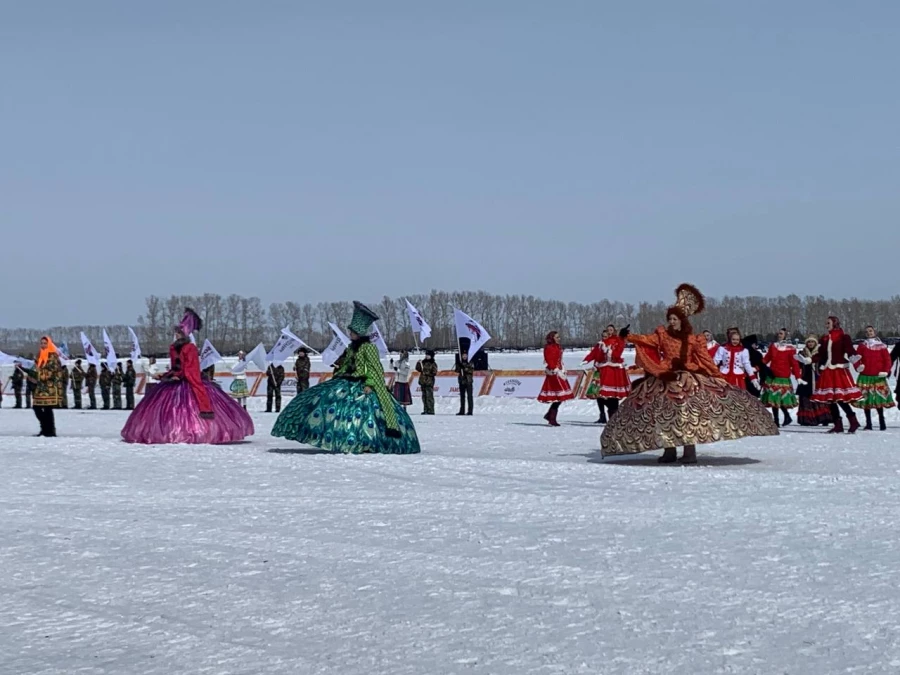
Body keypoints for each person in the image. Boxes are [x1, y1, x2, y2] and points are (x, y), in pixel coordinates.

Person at [602, 284, 778, 464]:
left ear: (682, 320)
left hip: (688, 377)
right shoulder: (662, 335)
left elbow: (706, 359)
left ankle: (689, 451)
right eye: (669, 318)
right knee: (661, 412)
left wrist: (718, 376)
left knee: (688, 414)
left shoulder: (694, 339)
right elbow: (646, 340)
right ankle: (669, 450)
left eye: (674, 319)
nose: (671, 321)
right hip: (665, 376)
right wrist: (628, 336)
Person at [271, 301, 419, 454]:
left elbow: (375, 368)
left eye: (352, 332)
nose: (349, 334)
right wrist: (338, 374)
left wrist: (370, 383)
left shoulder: (369, 348)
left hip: (364, 384)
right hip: (348, 381)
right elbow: (346, 365)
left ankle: (366, 441)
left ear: (358, 333)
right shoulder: (351, 348)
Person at [122, 308, 254, 444]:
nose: (176, 335)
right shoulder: (174, 348)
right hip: (174, 381)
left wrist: (178, 376)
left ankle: (197, 432)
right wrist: (164, 376)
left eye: (179, 332)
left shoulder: (190, 348)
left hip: (188, 381)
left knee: (188, 410)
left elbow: (190, 368)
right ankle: (170, 433)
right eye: (176, 332)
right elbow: (176, 367)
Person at [811, 316, 862, 434]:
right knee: (830, 399)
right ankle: (837, 424)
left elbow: (849, 350)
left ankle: (853, 420)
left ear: (835, 323)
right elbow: (821, 355)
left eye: (828, 323)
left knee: (840, 398)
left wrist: (854, 359)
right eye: (826, 323)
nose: (826, 325)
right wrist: (809, 360)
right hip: (827, 371)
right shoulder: (824, 338)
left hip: (838, 370)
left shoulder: (843, 337)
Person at [852, 326, 894, 431]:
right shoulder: (862, 346)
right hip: (865, 376)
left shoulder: (882, 347)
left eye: (870, 331)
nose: (869, 333)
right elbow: (857, 358)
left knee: (878, 399)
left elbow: (887, 360)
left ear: (874, 332)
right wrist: (858, 366)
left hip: (878, 376)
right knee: (866, 401)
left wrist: (886, 370)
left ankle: (882, 422)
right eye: (867, 332)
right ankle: (868, 423)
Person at [21, 337, 63, 437]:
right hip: (41, 387)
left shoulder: (53, 356)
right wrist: (26, 370)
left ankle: (50, 430)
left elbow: (49, 372)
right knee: (37, 407)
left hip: (50, 387)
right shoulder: (40, 356)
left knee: (47, 409)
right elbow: (37, 370)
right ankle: (45, 428)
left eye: (45, 343)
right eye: (42, 343)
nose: (43, 345)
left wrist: (37, 374)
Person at [761, 328, 801, 427]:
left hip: (783, 377)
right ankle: (777, 420)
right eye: (778, 333)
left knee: (780, 399)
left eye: (781, 334)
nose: (779, 335)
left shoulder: (790, 348)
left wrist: (798, 376)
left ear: (786, 335)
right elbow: (766, 358)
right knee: (774, 399)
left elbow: (794, 363)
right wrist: (757, 367)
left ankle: (785, 417)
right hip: (773, 376)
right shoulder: (773, 346)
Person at [538, 331, 574, 426]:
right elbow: (550, 360)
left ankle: (550, 415)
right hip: (554, 373)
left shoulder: (558, 347)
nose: (559, 339)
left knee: (560, 396)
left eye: (559, 337)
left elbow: (559, 359)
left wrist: (563, 368)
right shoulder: (549, 348)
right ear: (552, 338)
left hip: (559, 371)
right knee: (559, 396)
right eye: (557, 337)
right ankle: (551, 417)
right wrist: (556, 370)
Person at [795, 336, 833, 427]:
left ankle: (824, 418)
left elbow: (825, 362)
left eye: (812, 342)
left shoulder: (819, 353)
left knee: (819, 398)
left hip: (818, 378)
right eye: (809, 342)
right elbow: (797, 365)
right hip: (806, 378)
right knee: (806, 398)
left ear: (815, 343)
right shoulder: (802, 353)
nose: (810, 344)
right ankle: (807, 419)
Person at [583, 327, 611, 423]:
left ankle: (611, 411)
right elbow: (593, 354)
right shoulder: (598, 345)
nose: (604, 338)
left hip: (606, 372)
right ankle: (602, 415)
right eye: (603, 336)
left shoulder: (610, 345)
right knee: (597, 394)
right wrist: (586, 360)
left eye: (606, 336)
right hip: (598, 372)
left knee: (605, 394)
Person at [415, 350, 438, 415]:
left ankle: (431, 410)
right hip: (423, 381)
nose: (427, 356)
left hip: (429, 382)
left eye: (428, 355)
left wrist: (426, 372)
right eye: (426, 355)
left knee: (429, 397)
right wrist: (418, 363)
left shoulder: (433, 364)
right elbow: (418, 369)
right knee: (424, 397)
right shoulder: (423, 362)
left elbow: (434, 372)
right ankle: (425, 409)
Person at [455, 350, 475, 416]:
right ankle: (462, 411)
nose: (464, 357)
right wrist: (459, 365)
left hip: (468, 381)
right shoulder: (460, 362)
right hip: (462, 381)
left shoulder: (470, 362)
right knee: (462, 397)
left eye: (465, 355)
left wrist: (464, 367)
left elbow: (470, 370)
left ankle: (470, 411)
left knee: (469, 397)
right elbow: (457, 370)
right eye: (463, 355)